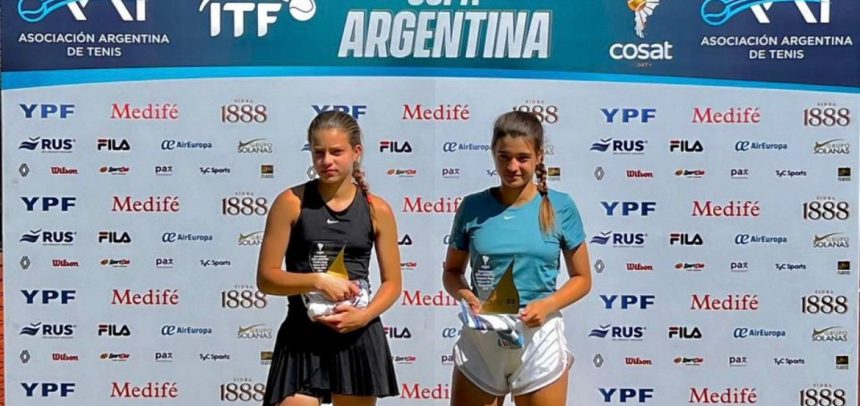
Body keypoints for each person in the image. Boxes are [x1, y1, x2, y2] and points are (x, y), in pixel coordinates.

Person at [442, 111, 592, 406]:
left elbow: (583, 278)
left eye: (523, 158)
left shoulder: (560, 206)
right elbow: (451, 272)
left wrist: (547, 305)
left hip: (538, 335)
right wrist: (467, 296)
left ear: (539, 156)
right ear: (493, 154)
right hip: (484, 334)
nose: (512, 167)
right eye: (504, 157)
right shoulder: (472, 207)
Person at [257, 111, 402, 406]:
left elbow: (393, 284)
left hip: (358, 335)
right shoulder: (290, 203)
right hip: (302, 336)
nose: (326, 161)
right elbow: (266, 279)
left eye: (336, 152)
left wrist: (363, 316)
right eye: (318, 152)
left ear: (356, 152)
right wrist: (318, 281)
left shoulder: (377, 210)